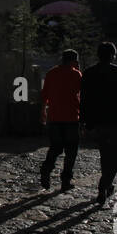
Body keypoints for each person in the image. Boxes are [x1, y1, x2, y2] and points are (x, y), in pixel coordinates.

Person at [80, 41, 117, 204]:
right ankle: (104, 185)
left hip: (97, 120)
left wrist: (83, 122)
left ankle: (107, 183)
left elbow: (84, 100)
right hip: (115, 120)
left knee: (104, 154)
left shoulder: (89, 73)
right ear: (113, 56)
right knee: (115, 155)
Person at [39, 49, 82, 193]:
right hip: (71, 117)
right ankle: (65, 180)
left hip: (54, 117)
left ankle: (46, 169)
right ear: (74, 60)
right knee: (71, 151)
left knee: (55, 147)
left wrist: (42, 112)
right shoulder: (76, 74)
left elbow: (44, 95)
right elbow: (80, 96)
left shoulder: (52, 73)